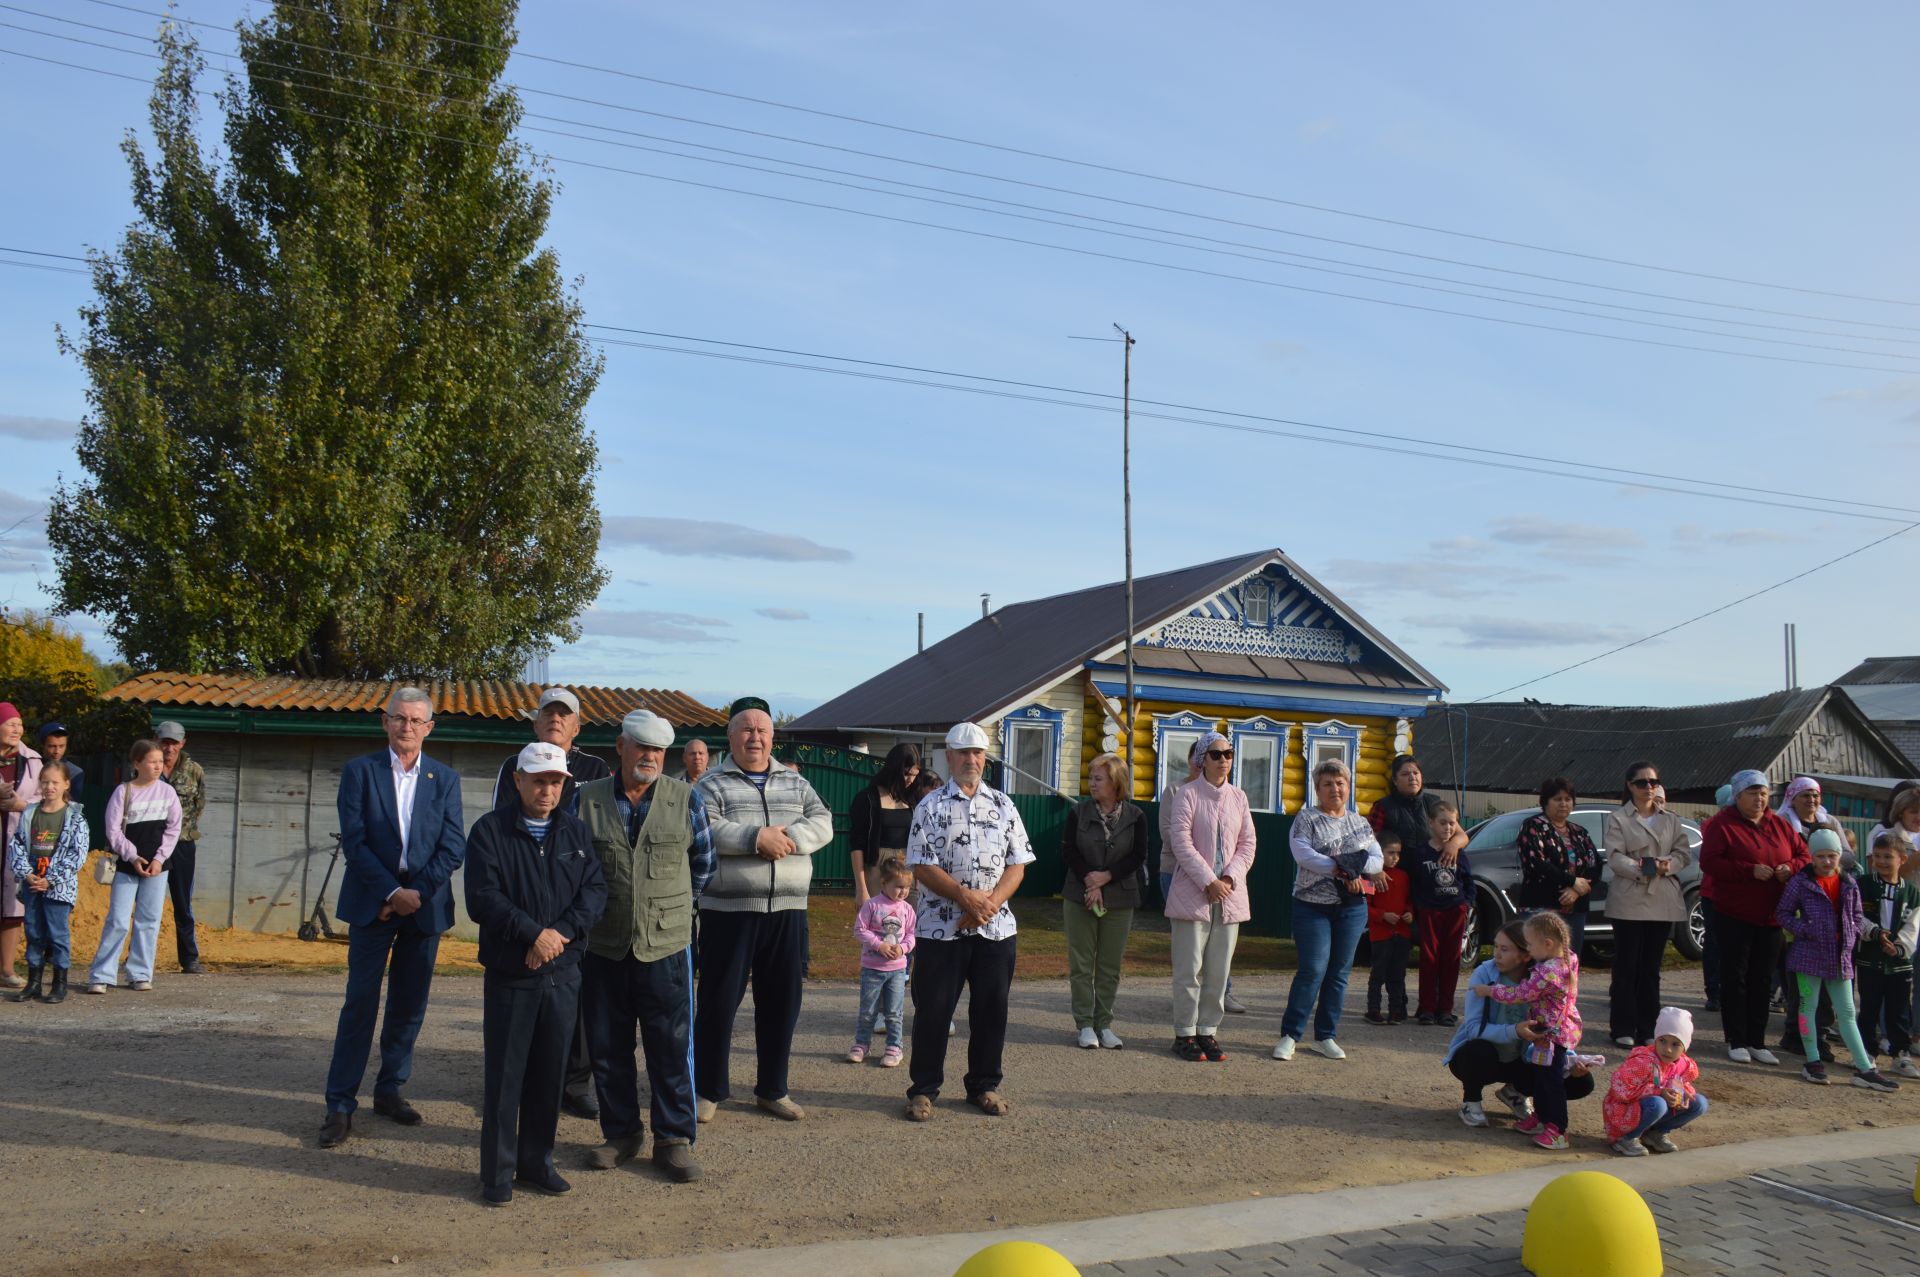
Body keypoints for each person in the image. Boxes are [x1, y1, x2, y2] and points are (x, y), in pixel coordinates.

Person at [318, 688, 467, 1150]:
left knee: (408, 1005)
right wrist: (389, 892)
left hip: (422, 908)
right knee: (359, 1004)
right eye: (398, 718)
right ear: (385, 723)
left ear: (429, 728)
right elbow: (355, 841)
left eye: (415, 720)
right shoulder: (360, 772)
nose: (406, 727)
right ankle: (340, 1105)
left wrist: (414, 894)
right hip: (373, 904)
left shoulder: (444, 779)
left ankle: (390, 1089)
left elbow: (453, 845)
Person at [464, 741, 609, 1207]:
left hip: (562, 973)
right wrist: (532, 936)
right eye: (539, 781)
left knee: (550, 1076)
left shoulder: (576, 834)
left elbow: (594, 892)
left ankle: (537, 1163)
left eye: (555, 782)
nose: (547, 790)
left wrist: (558, 936)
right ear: (518, 781)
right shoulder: (490, 832)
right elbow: (483, 897)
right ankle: (498, 1174)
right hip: (513, 974)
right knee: (506, 1077)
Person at [575, 709, 714, 1182]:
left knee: (670, 1047)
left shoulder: (686, 799)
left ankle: (674, 1139)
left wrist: (670, 907)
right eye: (641, 747)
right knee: (608, 1047)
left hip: (667, 947)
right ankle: (621, 1135)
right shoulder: (585, 799)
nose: (650, 757)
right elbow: (572, 867)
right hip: (604, 944)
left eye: (658, 750)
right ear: (621, 748)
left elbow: (704, 864)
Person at [693, 696, 834, 1123]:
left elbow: (823, 821)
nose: (755, 737)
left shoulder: (795, 783)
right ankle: (708, 1089)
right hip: (728, 911)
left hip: (788, 910)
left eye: (762, 730)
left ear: (772, 737)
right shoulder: (711, 783)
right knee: (718, 1002)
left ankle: (773, 1089)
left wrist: (787, 839)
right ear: (731, 736)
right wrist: (756, 838)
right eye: (746, 729)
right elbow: (705, 827)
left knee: (782, 1002)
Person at [490, 687, 610, 1121]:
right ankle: (522, 1081)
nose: (556, 720)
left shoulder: (595, 767)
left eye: (565, 715)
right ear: (536, 722)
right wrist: (530, 929)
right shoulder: (513, 766)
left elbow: (594, 830)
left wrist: (561, 926)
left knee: (575, 1003)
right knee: (520, 1000)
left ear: (577, 726)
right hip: (522, 902)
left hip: (570, 902)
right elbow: (503, 831)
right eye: (549, 713)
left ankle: (574, 1084)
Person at [904, 721, 1034, 1120]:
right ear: (949, 757)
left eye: (977, 753)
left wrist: (988, 904)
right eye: (963, 753)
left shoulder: (1003, 804)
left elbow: (1018, 863)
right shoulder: (930, 806)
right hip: (941, 927)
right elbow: (921, 865)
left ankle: (984, 1085)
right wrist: (964, 897)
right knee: (934, 1010)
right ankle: (923, 1090)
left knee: (991, 1009)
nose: (971, 760)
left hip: (995, 928)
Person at [1272, 758, 1380, 1062]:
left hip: (1351, 908)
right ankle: (1290, 1034)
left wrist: (1351, 867)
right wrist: (1346, 868)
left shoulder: (1360, 822)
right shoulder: (1306, 819)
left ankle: (1325, 1036)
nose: (1335, 788)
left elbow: (1377, 860)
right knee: (1313, 969)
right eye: (1328, 783)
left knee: (1339, 973)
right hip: (1311, 906)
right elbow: (1304, 855)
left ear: (1349, 786)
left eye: (1341, 783)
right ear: (1318, 788)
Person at [1776, 829, 1899, 1091]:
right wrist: (1806, 930)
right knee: (1807, 1007)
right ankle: (1813, 1061)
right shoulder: (1800, 882)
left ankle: (1865, 1067)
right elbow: (1783, 913)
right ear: (1812, 857)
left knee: (1846, 1012)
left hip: (1840, 958)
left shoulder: (1848, 883)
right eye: (1820, 856)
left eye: (1832, 855)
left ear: (1839, 856)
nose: (1827, 861)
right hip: (1808, 956)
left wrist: (1851, 934)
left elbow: (1856, 915)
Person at [1446, 918, 1598, 1128]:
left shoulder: (1546, 976)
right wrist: (1515, 1031)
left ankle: (1517, 1093)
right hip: (1488, 1054)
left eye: (1505, 949)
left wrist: (1571, 1061)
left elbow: (1556, 1021)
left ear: (1526, 954)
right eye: (1496, 946)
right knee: (1476, 1051)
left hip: (1526, 1057)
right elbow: (1473, 1029)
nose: (1496, 954)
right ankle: (1471, 1101)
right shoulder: (1484, 973)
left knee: (1581, 1082)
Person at [1700, 769, 1806, 1065]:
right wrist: (1749, 870)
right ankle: (1737, 1039)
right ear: (1738, 796)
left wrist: (1790, 867)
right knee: (1736, 977)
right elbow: (1710, 862)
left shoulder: (1780, 825)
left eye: (1763, 793)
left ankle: (1758, 1041)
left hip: (1772, 916)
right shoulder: (1723, 825)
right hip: (1734, 914)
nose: (1759, 798)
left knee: (1762, 978)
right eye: (1752, 793)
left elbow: (1804, 856)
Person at [1164, 732, 1256, 1062]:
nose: (1223, 760)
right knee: (1189, 969)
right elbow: (1181, 843)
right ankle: (1184, 1032)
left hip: (1230, 894)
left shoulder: (1239, 797)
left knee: (1219, 969)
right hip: (1193, 893)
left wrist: (1229, 877)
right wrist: (1208, 880)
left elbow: (1248, 844)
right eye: (1216, 755)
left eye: (1228, 754)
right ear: (1202, 759)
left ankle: (1208, 1031)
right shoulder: (1186, 795)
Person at [1470, 911, 1582, 1151]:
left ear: (1548, 944)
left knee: (1551, 1083)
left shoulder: (1547, 972)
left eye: (1530, 944)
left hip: (1552, 1034)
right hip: (1552, 1032)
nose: (1529, 951)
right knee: (1541, 1079)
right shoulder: (1569, 959)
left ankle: (1557, 1129)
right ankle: (1541, 1117)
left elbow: (1521, 994)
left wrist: (1489, 991)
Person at [1603, 760, 1693, 1047]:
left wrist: (1669, 865)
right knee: (1627, 965)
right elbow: (1615, 857)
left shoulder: (1670, 818)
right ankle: (1622, 1027)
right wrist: (1648, 868)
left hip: (1662, 899)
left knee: (1651, 968)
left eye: (1653, 782)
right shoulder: (1618, 818)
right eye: (1642, 783)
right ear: (1630, 786)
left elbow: (1683, 852)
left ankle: (1648, 1027)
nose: (1649, 788)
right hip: (1630, 897)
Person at [84, 739, 181, 995]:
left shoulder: (168, 792)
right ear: (137, 763)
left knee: (148, 920)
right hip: (128, 865)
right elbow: (113, 831)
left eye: (160, 761)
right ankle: (101, 974)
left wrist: (159, 859)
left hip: (158, 867)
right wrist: (133, 856)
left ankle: (140, 973)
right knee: (118, 920)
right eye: (152, 761)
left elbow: (174, 829)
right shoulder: (123, 791)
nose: (158, 766)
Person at [1063, 751, 1146, 1050]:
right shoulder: (1078, 813)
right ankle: (1084, 1024)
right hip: (1079, 895)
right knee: (1082, 964)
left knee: (1110, 966)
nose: (1092, 784)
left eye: (1098, 779)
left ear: (1115, 782)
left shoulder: (1136, 816)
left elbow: (1138, 856)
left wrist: (1106, 877)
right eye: (1091, 778)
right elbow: (1069, 850)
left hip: (1120, 898)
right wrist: (1091, 879)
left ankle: (1104, 1024)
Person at [6, 759, 87, 1003]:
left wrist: (51, 879)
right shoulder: (30, 813)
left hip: (58, 887)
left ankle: (59, 983)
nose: (49, 787)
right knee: (33, 932)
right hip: (32, 882)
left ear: (65, 784)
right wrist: (27, 874)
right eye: (45, 782)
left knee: (57, 934)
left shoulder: (75, 817)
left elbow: (77, 854)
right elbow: (17, 844)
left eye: (54, 782)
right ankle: (33, 982)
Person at [1856, 829, 1919, 1079]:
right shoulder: (1863, 886)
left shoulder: (1912, 893)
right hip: (1869, 959)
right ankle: (1866, 1053)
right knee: (1869, 1007)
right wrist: (1873, 932)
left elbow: (1914, 924)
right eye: (1877, 856)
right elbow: (1855, 916)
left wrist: (1900, 947)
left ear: (1902, 859)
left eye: (1888, 857)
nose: (1882, 861)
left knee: (1899, 1010)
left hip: (1899, 963)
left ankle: (1901, 1054)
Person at [1603, 1007, 1707, 1156]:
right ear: (1656, 1039)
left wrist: (1683, 1094)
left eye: (1675, 1044)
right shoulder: (1643, 1062)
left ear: (1685, 1047)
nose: (1668, 1049)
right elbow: (1620, 1090)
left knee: (1699, 1103)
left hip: (1654, 1109)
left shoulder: (1684, 1064)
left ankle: (1655, 1134)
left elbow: (1683, 1083)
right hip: (1624, 1112)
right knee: (1658, 1104)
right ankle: (1626, 1138)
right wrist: (1658, 1092)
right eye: (1662, 1041)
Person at [1515, 777, 1600, 956]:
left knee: (1569, 963)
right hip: (1540, 908)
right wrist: (1571, 880)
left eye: (1567, 799)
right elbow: (1536, 863)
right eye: (1557, 799)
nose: (1563, 804)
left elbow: (1595, 864)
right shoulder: (1533, 826)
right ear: (1545, 802)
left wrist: (1577, 890)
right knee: (1539, 964)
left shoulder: (1579, 832)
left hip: (1575, 908)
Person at [1407, 800, 1472, 1026]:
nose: (1447, 828)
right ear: (1431, 823)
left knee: (1451, 960)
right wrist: (1420, 906)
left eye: (1452, 824)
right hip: (1430, 911)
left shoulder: (1459, 854)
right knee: (1429, 959)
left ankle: (1445, 1009)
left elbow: (1468, 880)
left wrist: (1466, 904)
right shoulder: (1421, 853)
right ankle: (1426, 1008)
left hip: (1455, 910)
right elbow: (1415, 883)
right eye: (1442, 823)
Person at [849, 856, 916, 1066]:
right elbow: (859, 930)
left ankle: (894, 1047)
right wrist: (879, 945)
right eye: (898, 887)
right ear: (884, 883)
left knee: (894, 1013)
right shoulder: (872, 905)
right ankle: (861, 1044)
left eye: (907, 887)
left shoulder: (907, 909)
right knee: (868, 1011)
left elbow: (912, 935)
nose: (903, 892)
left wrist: (903, 948)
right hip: (872, 969)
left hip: (897, 970)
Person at [155, 722, 207, 975]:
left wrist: (182, 828)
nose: (169, 748)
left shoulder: (194, 770)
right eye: (165, 742)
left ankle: (189, 959)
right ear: (157, 741)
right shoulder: (147, 767)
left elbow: (199, 804)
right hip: (151, 846)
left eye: (174, 742)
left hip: (183, 844)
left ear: (183, 743)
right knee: (146, 903)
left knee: (183, 903)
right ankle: (139, 958)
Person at [0, 702, 43, 988]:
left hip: (16, 841)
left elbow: (46, 801)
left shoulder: (33, 760)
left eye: (19, 724)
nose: (17, 729)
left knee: (12, 908)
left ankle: (5, 971)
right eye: (10, 723)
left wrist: (19, 804)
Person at [848, 743, 922, 905]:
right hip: (877, 869)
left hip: (907, 868)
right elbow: (857, 845)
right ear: (894, 769)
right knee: (878, 922)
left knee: (911, 923)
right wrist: (861, 889)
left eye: (915, 774)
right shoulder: (866, 798)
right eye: (906, 773)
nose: (911, 779)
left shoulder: (914, 799)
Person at [1367, 753, 1467, 859]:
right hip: (1398, 871)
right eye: (1405, 774)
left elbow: (1462, 836)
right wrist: (1376, 870)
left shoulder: (1434, 803)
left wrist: (1453, 845)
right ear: (1395, 781)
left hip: (1431, 869)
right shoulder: (1383, 806)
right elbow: (1368, 841)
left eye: (1416, 773)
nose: (1412, 778)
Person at [1364, 831, 1412, 1025]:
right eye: (1390, 852)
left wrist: (1410, 913)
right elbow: (1365, 906)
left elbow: (1408, 901)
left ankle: (1396, 1010)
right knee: (1378, 974)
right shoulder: (1370, 876)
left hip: (1401, 932)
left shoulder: (1403, 876)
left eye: (1398, 853)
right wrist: (1382, 915)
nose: (1395, 857)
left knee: (1397, 974)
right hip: (1381, 934)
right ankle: (1373, 1009)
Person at [1700, 781, 1734, 1014]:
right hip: (1713, 893)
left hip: (1736, 894)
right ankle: (1714, 992)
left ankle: (1727, 991)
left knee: (1732, 946)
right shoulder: (1711, 825)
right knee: (1713, 944)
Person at [36, 721, 83, 800]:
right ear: (42, 745)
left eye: (61, 746)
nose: (57, 751)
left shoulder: (75, 772)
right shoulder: (30, 766)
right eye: (52, 746)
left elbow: (73, 805)